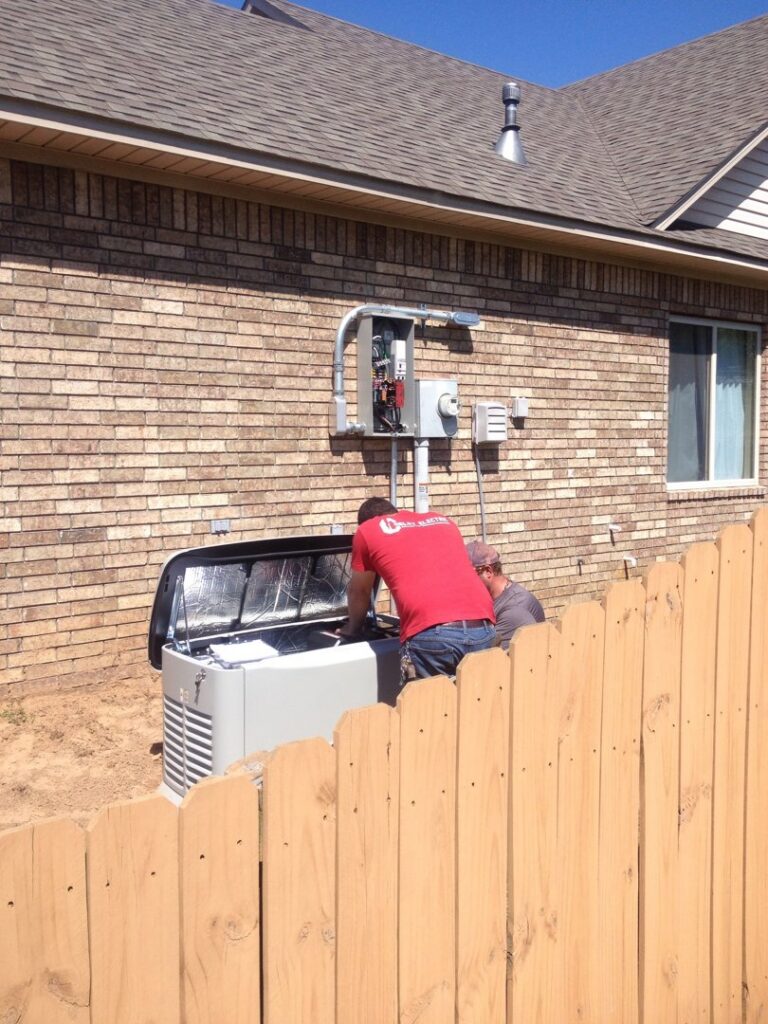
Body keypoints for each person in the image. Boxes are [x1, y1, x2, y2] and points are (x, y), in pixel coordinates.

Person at [339, 497, 495, 681]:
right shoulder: (443, 521)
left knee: (429, 707)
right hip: (484, 626)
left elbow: (360, 592)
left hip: (432, 634)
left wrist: (352, 629)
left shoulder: (367, 530)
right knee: (478, 703)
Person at [465, 540, 545, 649]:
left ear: (488, 571)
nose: (464, 583)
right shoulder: (498, 597)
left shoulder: (514, 612)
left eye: (468, 576)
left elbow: (484, 659)